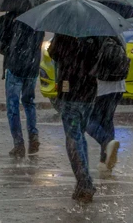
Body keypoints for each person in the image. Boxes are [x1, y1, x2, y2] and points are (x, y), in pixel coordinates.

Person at [48, 34, 102, 203]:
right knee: (79, 137)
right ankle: (82, 183)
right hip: (89, 94)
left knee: (73, 139)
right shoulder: (96, 33)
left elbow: (53, 53)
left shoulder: (65, 33)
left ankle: (85, 183)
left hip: (71, 93)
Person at [0, 12, 45, 158]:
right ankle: (33, 135)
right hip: (32, 68)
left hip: (15, 66)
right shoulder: (37, 20)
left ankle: (18, 143)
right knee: (29, 102)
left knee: (12, 106)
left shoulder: (10, 20)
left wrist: (2, 21)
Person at [87, 35, 126, 176]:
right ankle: (105, 162)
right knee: (107, 120)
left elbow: (88, 62)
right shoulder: (117, 33)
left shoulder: (93, 36)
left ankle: (107, 142)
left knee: (87, 121)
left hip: (100, 86)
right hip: (119, 85)